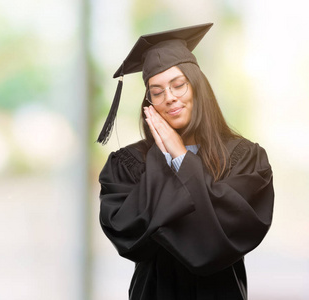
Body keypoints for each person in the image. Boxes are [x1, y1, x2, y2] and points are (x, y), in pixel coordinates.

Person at [97, 23, 274, 300]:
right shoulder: (128, 164)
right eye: (157, 91)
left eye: (178, 85)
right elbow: (129, 236)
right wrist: (166, 157)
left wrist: (180, 156)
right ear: (149, 103)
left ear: (197, 86)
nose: (170, 98)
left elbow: (228, 237)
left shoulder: (244, 158)